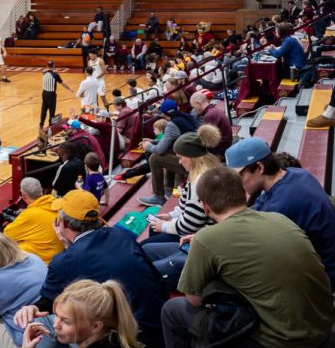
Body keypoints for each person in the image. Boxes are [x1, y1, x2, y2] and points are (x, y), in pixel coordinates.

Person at [160, 167, 335, 348]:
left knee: (173, 310)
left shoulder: (207, 239)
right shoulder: (278, 218)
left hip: (282, 341)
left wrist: (202, 243)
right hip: (322, 326)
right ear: (243, 194)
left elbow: (194, 299)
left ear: (205, 207)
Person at [12, 190, 165, 348]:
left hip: (126, 339)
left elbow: (51, 302)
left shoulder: (64, 261)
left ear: (63, 223)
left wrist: (34, 307)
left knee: (44, 320)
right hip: (159, 326)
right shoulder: (121, 235)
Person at [225, 137, 335, 286]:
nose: (237, 182)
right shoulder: (294, 173)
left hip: (321, 278)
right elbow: (258, 207)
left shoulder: (280, 207)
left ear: (260, 168)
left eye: (240, 175)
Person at [141, 126, 222, 288]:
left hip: (197, 238)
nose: (179, 162)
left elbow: (192, 223)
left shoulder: (200, 180)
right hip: (198, 233)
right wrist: (171, 216)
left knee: (145, 249)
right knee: (149, 240)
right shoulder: (200, 174)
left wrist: (165, 226)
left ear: (191, 157)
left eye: (180, 157)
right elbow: (188, 208)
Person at [23, 279, 142, 348]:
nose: (55, 325)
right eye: (56, 315)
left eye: (65, 321)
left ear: (96, 326)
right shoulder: (114, 338)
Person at [138, 99, 198, 206]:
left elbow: (159, 150)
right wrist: (154, 142)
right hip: (200, 157)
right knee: (169, 150)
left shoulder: (172, 125)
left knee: (155, 158)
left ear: (164, 114)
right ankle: (168, 189)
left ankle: (158, 196)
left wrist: (148, 146)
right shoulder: (188, 117)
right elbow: (167, 142)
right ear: (178, 108)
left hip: (193, 165)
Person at [4, 178, 64, 264]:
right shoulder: (57, 203)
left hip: (42, 261)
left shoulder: (29, 215)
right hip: (58, 254)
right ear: (42, 191)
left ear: (24, 196)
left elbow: (7, 234)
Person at [39, 61, 73, 129]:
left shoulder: (44, 72)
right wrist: (69, 89)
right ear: (54, 65)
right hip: (51, 94)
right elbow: (62, 83)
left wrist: (50, 69)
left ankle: (41, 125)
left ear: (47, 66)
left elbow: (45, 70)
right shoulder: (55, 74)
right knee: (52, 110)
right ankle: (51, 125)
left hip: (44, 93)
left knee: (44, 109)